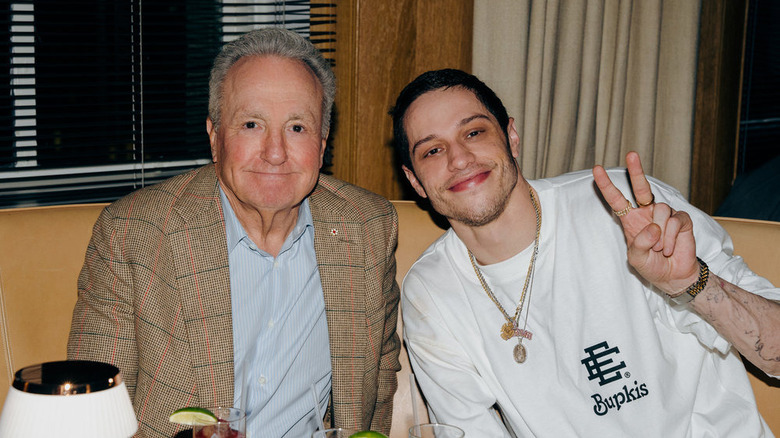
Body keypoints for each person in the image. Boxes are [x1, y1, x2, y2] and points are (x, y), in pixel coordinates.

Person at [390, 68, 780, 437]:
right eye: (432, 151)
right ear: (415, 182)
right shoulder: (431, 291)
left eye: (474, 132)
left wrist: (691, 283)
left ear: (511, 137)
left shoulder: (625, 209)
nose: (458, 159)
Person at [68, 28, 401, 438]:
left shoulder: (368, 227)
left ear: (322, 143)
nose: (275, 152)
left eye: (297, 127)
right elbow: (92, 411)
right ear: (214, 137)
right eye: (251, 124)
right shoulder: (132, 233)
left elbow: (380, 370)